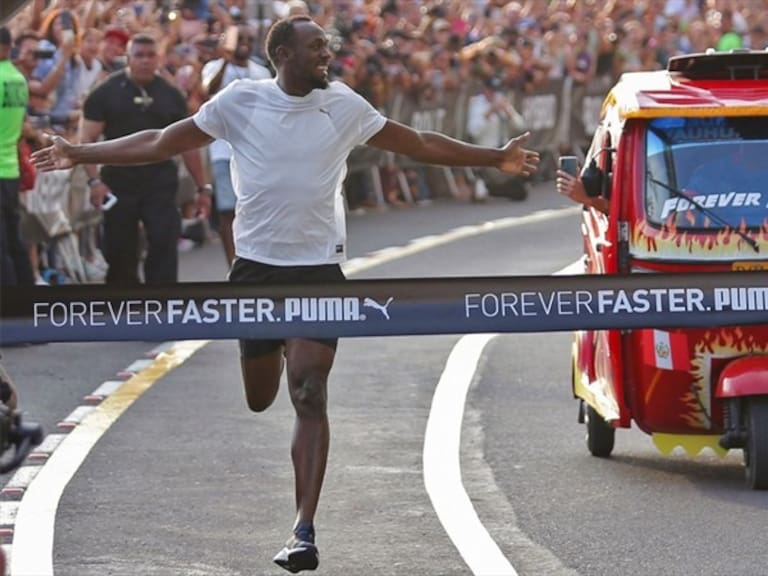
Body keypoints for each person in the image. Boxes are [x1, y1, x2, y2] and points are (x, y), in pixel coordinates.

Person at [32, 15, 539, 573]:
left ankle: (303, 530)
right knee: (260, 396)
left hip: (318, 270)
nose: (328, 54)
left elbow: (416, 142)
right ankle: (268, 347)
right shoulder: (240, 103)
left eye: (328, 46)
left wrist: (495, 159)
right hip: (255, 273)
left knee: (310, 393)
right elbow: (159, 140)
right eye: (316, 47)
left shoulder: (342, 103)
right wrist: (81, 153)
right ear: (283, 54)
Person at [80, 32, 210, 285]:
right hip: (118, 181)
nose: (145, 61)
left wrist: (202, 187)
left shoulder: (171, 95)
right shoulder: (105, 93)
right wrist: (94, 182)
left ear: (159, 58)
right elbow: (86, 141)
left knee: (163, 241)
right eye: (139, 55)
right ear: (128, 58)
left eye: (151, 55)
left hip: (159, 181)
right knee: (120, 250)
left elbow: (188, 144)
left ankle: (162, 306)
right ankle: (122, 307)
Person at [201, 23, 271, 266]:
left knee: (255, 211)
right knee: (228, 210)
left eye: (248, 39)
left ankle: (256, 260)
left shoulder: (261, 72)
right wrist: (225, 60)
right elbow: (207, 90)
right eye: (238, 38)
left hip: (255, 153)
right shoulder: (214, 67)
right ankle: (233, 264)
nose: (244, 42)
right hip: (223, 150)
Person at [0, 25, 35, 287]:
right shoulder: (18, 77)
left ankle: (9, 308)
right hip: (10, 168)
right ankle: (26, 296)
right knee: (14, 239)